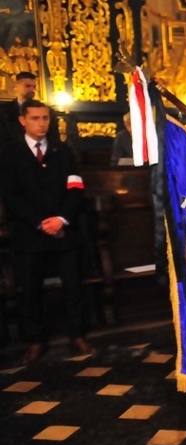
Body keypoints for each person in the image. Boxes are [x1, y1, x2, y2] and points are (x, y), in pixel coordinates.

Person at [0, 100, 94, 364]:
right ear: (23, 121)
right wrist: (41, 222)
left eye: (45, 119)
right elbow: (11, 195)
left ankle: (77, 334)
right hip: (29, 233)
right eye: (36, 118)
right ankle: (34, 341)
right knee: (30, 289)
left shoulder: (63, 151)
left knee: (74, 285)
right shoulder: (9, 154)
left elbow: (75, 188)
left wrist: (61, 219)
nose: (42, 124)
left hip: (64, 231)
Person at [0, 71, 60, 147]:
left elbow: (54, 137)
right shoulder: (4, 111)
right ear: (17, 85)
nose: (32, 90)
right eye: (28, 86)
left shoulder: (48, 111)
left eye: (34, 86)